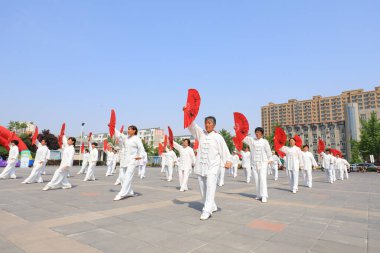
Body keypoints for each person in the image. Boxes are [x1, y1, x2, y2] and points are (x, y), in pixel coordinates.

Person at [185, 112, 232, 220]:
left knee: (210, 188)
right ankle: (213, 206)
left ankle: (207, 210)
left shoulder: (218, 137)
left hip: (213, 167)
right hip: (201, 166)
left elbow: (224, 150)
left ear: (214, 125)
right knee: (203, 190)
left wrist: (228, 160)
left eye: (209, 123)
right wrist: (187, 113)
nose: (207, 125)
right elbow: (192, 125)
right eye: (206, 123)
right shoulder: (201, 134)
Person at [113, 125, 145, 201]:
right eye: (128, 129)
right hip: (124, 161)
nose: (128, 131)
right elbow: (119, 134)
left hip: (132, 161)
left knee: (128, 177)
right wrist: (112, 127)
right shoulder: (126, 138)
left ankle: (121, 194)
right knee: (122, 177)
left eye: (130, 129)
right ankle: (130, 192)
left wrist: (140, 156)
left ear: (134, 131)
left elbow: (141, 148)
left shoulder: (137, 139)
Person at [242, 127, 273, 202]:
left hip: (263, 162)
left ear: (262, 134)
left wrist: (270, 158)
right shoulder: (251, 140)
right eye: (256, 132)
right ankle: (259, 194)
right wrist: (237, 129)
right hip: (254, 163)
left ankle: (264, 195)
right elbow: (242, 137)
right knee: (256, 179)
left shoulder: (265, 141)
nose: (257, 133)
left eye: (259, 132)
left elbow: (268, 151)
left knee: (262, 178)